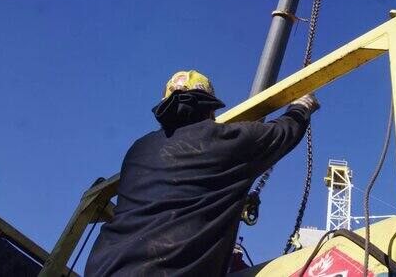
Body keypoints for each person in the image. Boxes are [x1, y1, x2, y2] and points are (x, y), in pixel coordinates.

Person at [85, 70, 320, 276]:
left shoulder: (138, 151)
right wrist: (302, 106)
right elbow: (283, 132)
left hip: (102, 267)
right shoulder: (224, 142)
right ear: (210, 111)